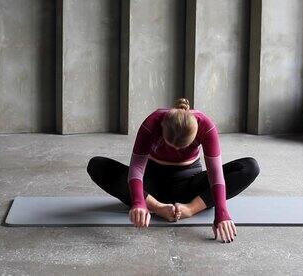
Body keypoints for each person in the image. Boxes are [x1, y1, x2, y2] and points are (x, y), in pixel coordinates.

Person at [87, 98, 260, 243]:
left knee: (250, 167)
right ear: (162, 128)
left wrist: (221, 212)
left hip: (191, 187)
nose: (176, 151)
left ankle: (190, 208)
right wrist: (140, 202)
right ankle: (159, 207)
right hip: (152, 188)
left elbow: (215, 174)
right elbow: (137, 169)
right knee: (97, 165)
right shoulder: (152, 123)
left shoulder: (206, 126)